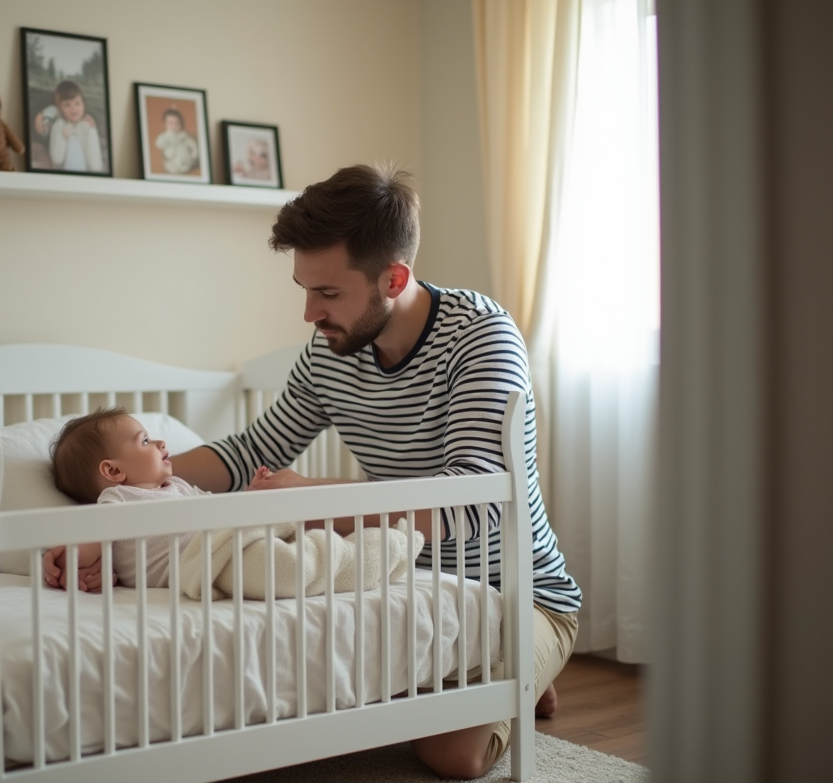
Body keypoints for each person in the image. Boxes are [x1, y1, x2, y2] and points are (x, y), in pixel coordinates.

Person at [167, 163, 583, 780]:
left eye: (328, 293)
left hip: (514, 594)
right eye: (303, 289)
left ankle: (535, 662)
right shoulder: (330, 350)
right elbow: (255, 449)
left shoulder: (481, 337)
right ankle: (508, 681)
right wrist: (133, 488)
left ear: (394, 278)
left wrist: (308, 496)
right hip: (405, 583)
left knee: (452, 757)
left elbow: (469, 504)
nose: (310, 312)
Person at [45, 406, 270, 592]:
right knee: (263, 560)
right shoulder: (118, 499)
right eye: (144, 441)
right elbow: (84, 550)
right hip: (194, 567)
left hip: (219, 546)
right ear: (113, 471)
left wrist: (248, 496)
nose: (160, 443)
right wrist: (63, 562)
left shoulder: (178, 486)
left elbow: (218, 510)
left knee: (268, 541)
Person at [34, 80, 104, 173]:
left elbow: (96, 164)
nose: (73, 109)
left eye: (77, 104)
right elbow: (57, 159)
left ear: (83, 104)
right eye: (67, 105)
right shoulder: (58, 122)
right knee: (60, 125)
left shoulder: (87, 123)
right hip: (63, 171)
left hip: (86, 174)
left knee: (89, 128)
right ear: (60, 107)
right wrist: (63, 138)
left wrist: (91, 130)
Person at [154, 107, 199, 175]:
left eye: (177, 123)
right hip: (172, 164)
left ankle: (185, 166)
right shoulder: (164, 136)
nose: (174, 126)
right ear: (165, 123)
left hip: (186, 163)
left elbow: (193, 145)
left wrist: (194, 154)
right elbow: (159, 144)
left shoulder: (185, 135)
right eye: (170, 123)